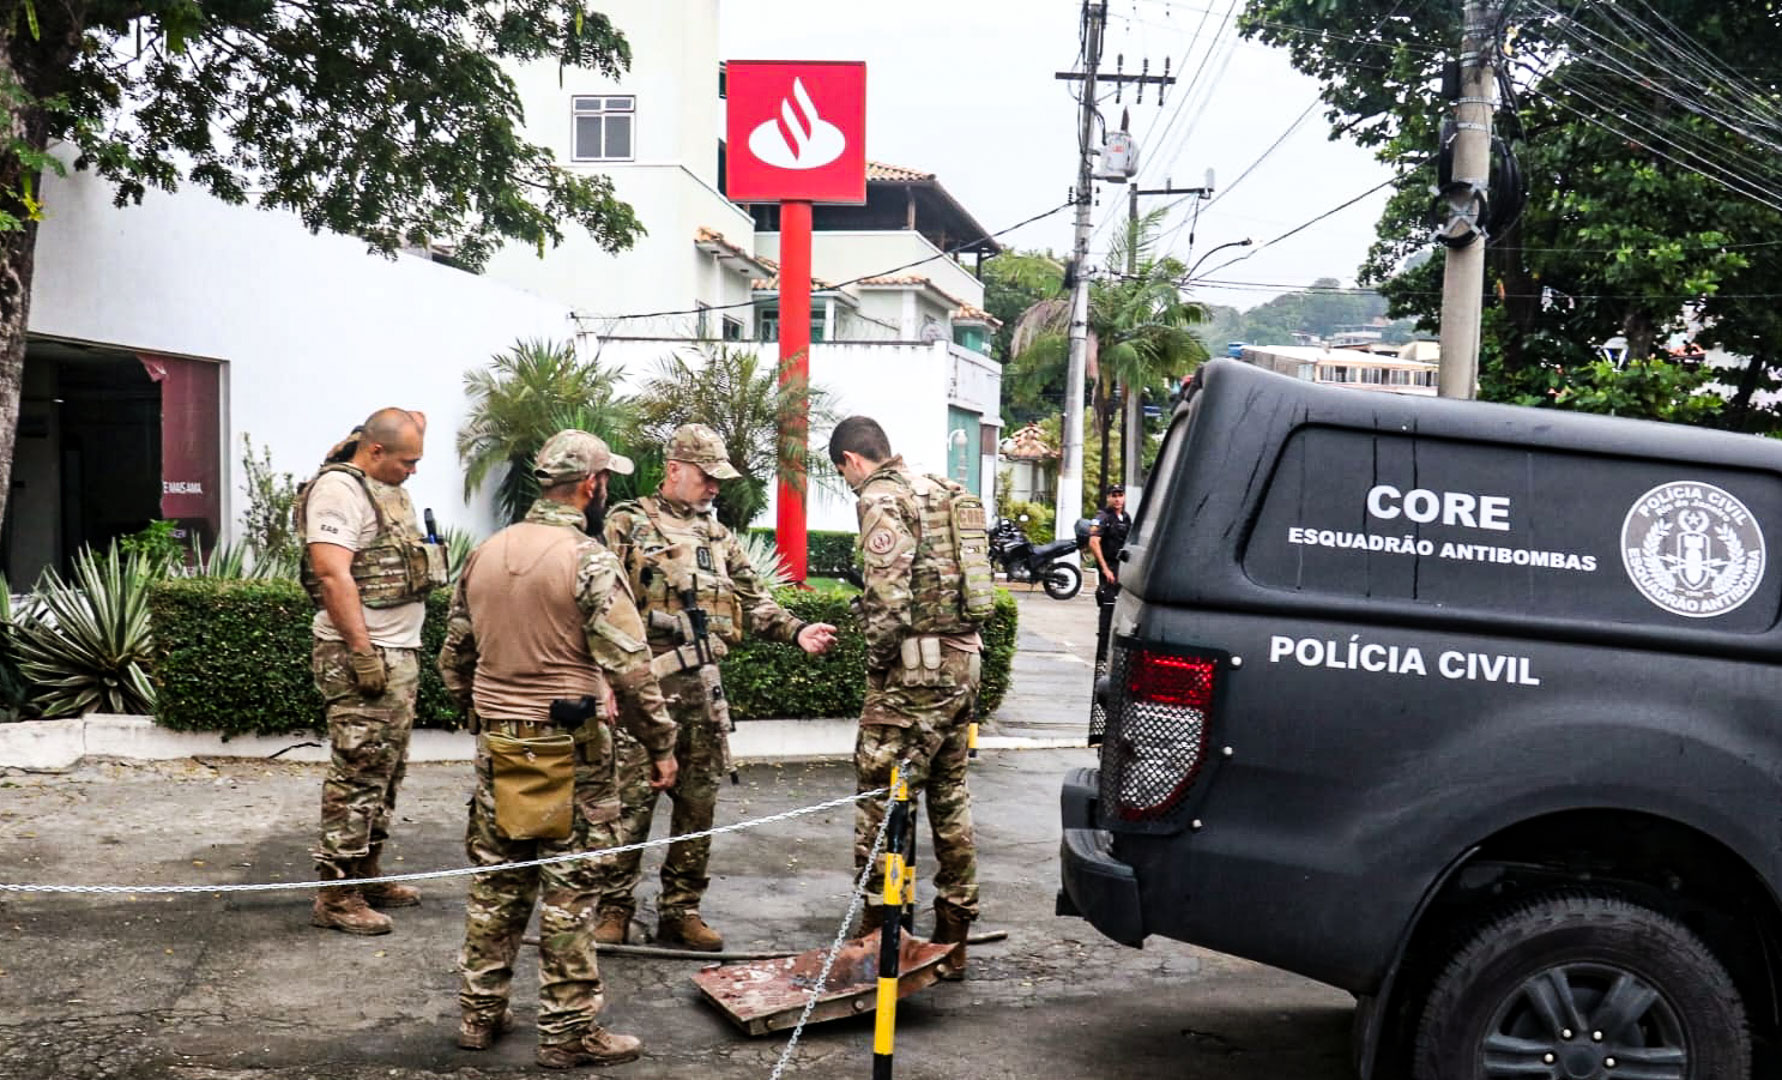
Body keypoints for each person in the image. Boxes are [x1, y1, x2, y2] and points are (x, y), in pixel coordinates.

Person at [437, 429, 680, 1068]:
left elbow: (453, 659)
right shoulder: (589, 560)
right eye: (607, 483)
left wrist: (483, 715)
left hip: (499, 745)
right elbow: (630, 670)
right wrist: (661, 745)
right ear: (592, 485)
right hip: (570, 749)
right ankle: (568, 1032)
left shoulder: (486, 552)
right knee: (571, 895)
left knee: (497, 881)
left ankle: (477, 1013)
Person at [592, 423, 837, 951]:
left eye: (718, 481)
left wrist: (798, 630)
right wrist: (603, 680)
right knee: (630, 801)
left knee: (697, 804)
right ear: (675, 469)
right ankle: (613, 908)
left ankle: (681, 910)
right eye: (707, 478)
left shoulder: (716, 535)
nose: (714, 488)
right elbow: (599, 606)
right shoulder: (627, 523)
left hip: (702, 690)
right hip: (644, 690)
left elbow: (753, 597)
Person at [827, 415, 983, 980]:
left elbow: (888, 597)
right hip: (964, 662)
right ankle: (954, 936)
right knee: (949, 797)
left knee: (880, 796)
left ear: (851, 460)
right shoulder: (938, 490)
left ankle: (879, 934)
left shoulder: (880, 497)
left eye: (843, 473)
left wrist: (876, 661)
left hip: (914, 675)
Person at [296, 407, 446, 935]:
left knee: (386, 770)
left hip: (398, 650)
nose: (414, 470)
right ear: (375, 450)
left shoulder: (385, 486)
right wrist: (362, 652)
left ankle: (366, 872)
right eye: (407, 460)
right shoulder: (339, 491)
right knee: (357, 772)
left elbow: (413, 421)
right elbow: (332, 574)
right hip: (362, 651)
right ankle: (337, 895)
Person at [1088, 484, 1131, 674]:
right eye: (1114, 495)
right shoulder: (1102, 517)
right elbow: (1093, 542)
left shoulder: (1126, 517)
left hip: (1123, 570)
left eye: (1120, 495)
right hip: (1110, 571)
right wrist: (1105, 569)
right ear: (1108, 497)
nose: (1117, 499)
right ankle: (1102, 659)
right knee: (1107, 613)